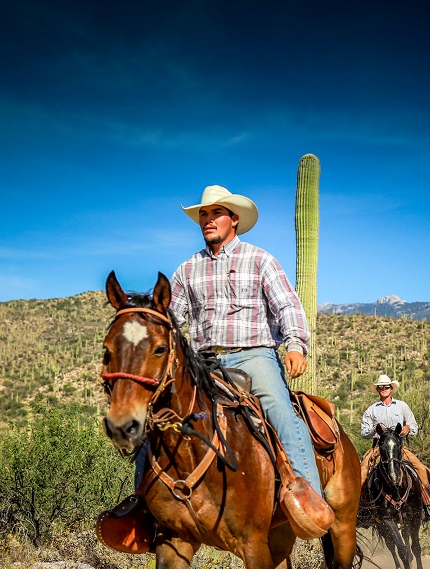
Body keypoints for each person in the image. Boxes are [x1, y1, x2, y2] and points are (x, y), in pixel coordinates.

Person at [127, 185, 328, 517]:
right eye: (203, 215)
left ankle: (310, 500)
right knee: (158, 419)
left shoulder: (260, 260)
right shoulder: (186, 270)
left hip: (253, 355)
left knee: (281, 413)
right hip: (202, 362)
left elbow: (288, 306)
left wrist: (295, 345)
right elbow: (172, 323)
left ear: (233, 219)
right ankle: (143, 507)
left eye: (215, 213)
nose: (207, 220)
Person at [360, 374, 430, 518]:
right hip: (379, 447)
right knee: (362, 472)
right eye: (381, 387)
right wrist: (373, 430)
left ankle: (427, 505)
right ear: (378, 390)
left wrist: (408, 428)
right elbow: (363, 432)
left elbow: (414, 426)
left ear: (391, 388)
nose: (384, 389)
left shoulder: (402, 406)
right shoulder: (371, 410)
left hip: (398, 447)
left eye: (386, 386)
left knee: (420, 469)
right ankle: (363, 508)